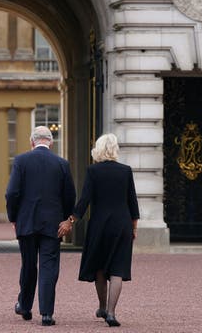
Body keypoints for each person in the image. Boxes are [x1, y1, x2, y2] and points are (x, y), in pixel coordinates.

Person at [58, 133, 140, 327]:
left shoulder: (93, 171)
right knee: (118, 268)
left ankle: (102, 307)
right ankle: (111, 313)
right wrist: (134, 227)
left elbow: (84, 200)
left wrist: (71, 220)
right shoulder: (126, 171)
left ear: (99, 149)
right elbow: (132, 202)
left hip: (99, 225)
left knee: (100, 268)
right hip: (122, 224)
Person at [6, 126, 76, 326]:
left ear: (32, 142)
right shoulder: (62, 164)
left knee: (28, 265)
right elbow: (70, 195)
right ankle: (46, 313)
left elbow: (12, 193)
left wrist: (14, 217)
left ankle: (25, 306)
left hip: (26, 221)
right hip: (53, 224)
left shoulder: (21, 161)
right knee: (49, 267)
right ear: (51, 143)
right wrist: (66, 219)